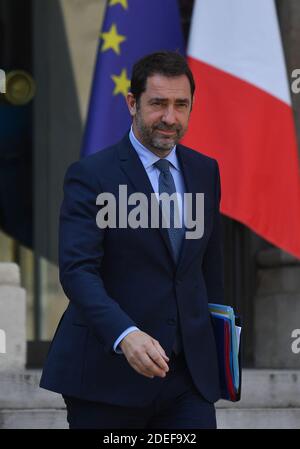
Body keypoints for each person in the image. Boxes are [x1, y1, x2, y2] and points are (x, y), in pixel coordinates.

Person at [40, 51, 224, 429]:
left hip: (188, 381)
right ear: (132, 103)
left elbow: (208, 268)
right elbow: (78, 272)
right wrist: (126, 334)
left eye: (181, 104)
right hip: (106, 377)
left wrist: (223, 349)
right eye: (158, 103)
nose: (170, 118)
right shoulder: (91, 175)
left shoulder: (206, 172)